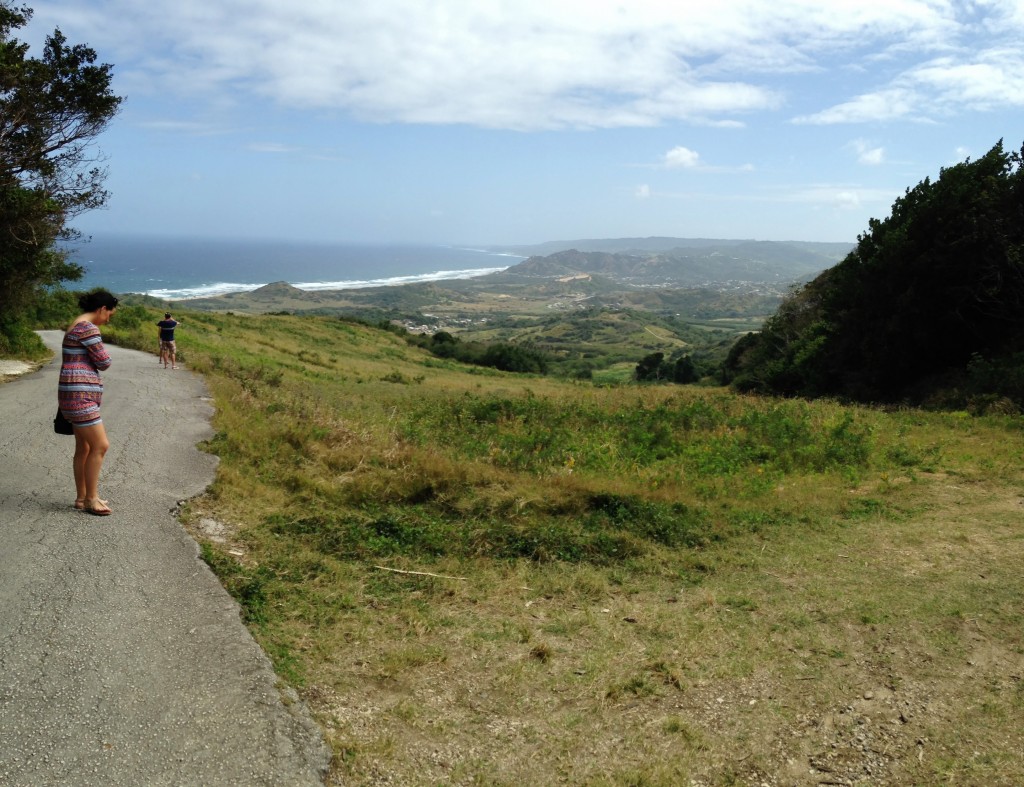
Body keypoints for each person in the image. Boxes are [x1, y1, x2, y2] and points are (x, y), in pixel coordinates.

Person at [58, 290, 118, 516]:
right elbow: (104, 361)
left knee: (83, 448)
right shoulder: (88, 328)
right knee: (100, 446)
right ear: (102, 309)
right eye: (109, 314)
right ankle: (92, 499)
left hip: (71, 393)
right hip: (81, 395)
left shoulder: (75, 324)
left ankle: (82, 497)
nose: (108, 319)